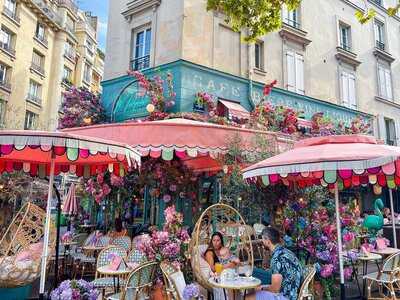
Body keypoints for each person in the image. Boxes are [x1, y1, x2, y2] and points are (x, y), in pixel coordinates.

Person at [247, 227, 304, 300]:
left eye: (263, 239)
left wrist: (261, 289)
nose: (262, 242)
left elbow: (275, 289)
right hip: (293, 292)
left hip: (286, 296)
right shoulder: (286, 252)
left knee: (247, 297)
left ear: (268, 241)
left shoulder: (276, 258)